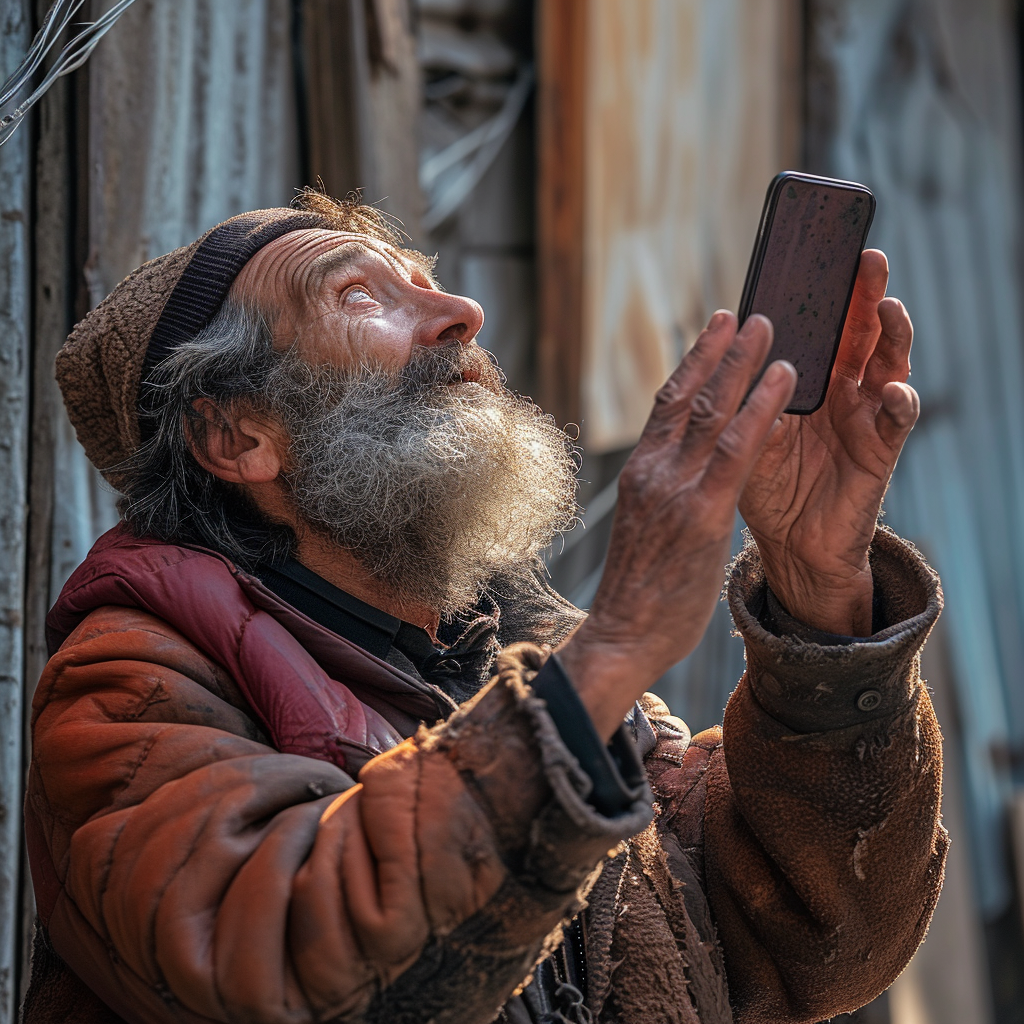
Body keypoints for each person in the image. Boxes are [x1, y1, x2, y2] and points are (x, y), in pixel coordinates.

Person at [22, 192, 946, 1024]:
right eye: (358, 296)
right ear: (234, 436)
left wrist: (819, 589)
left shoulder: (516, 663)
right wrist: (615, 648)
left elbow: (814, 942)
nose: (460, 314)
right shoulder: (132, 684)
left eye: (432, 283)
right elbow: (283, 968)